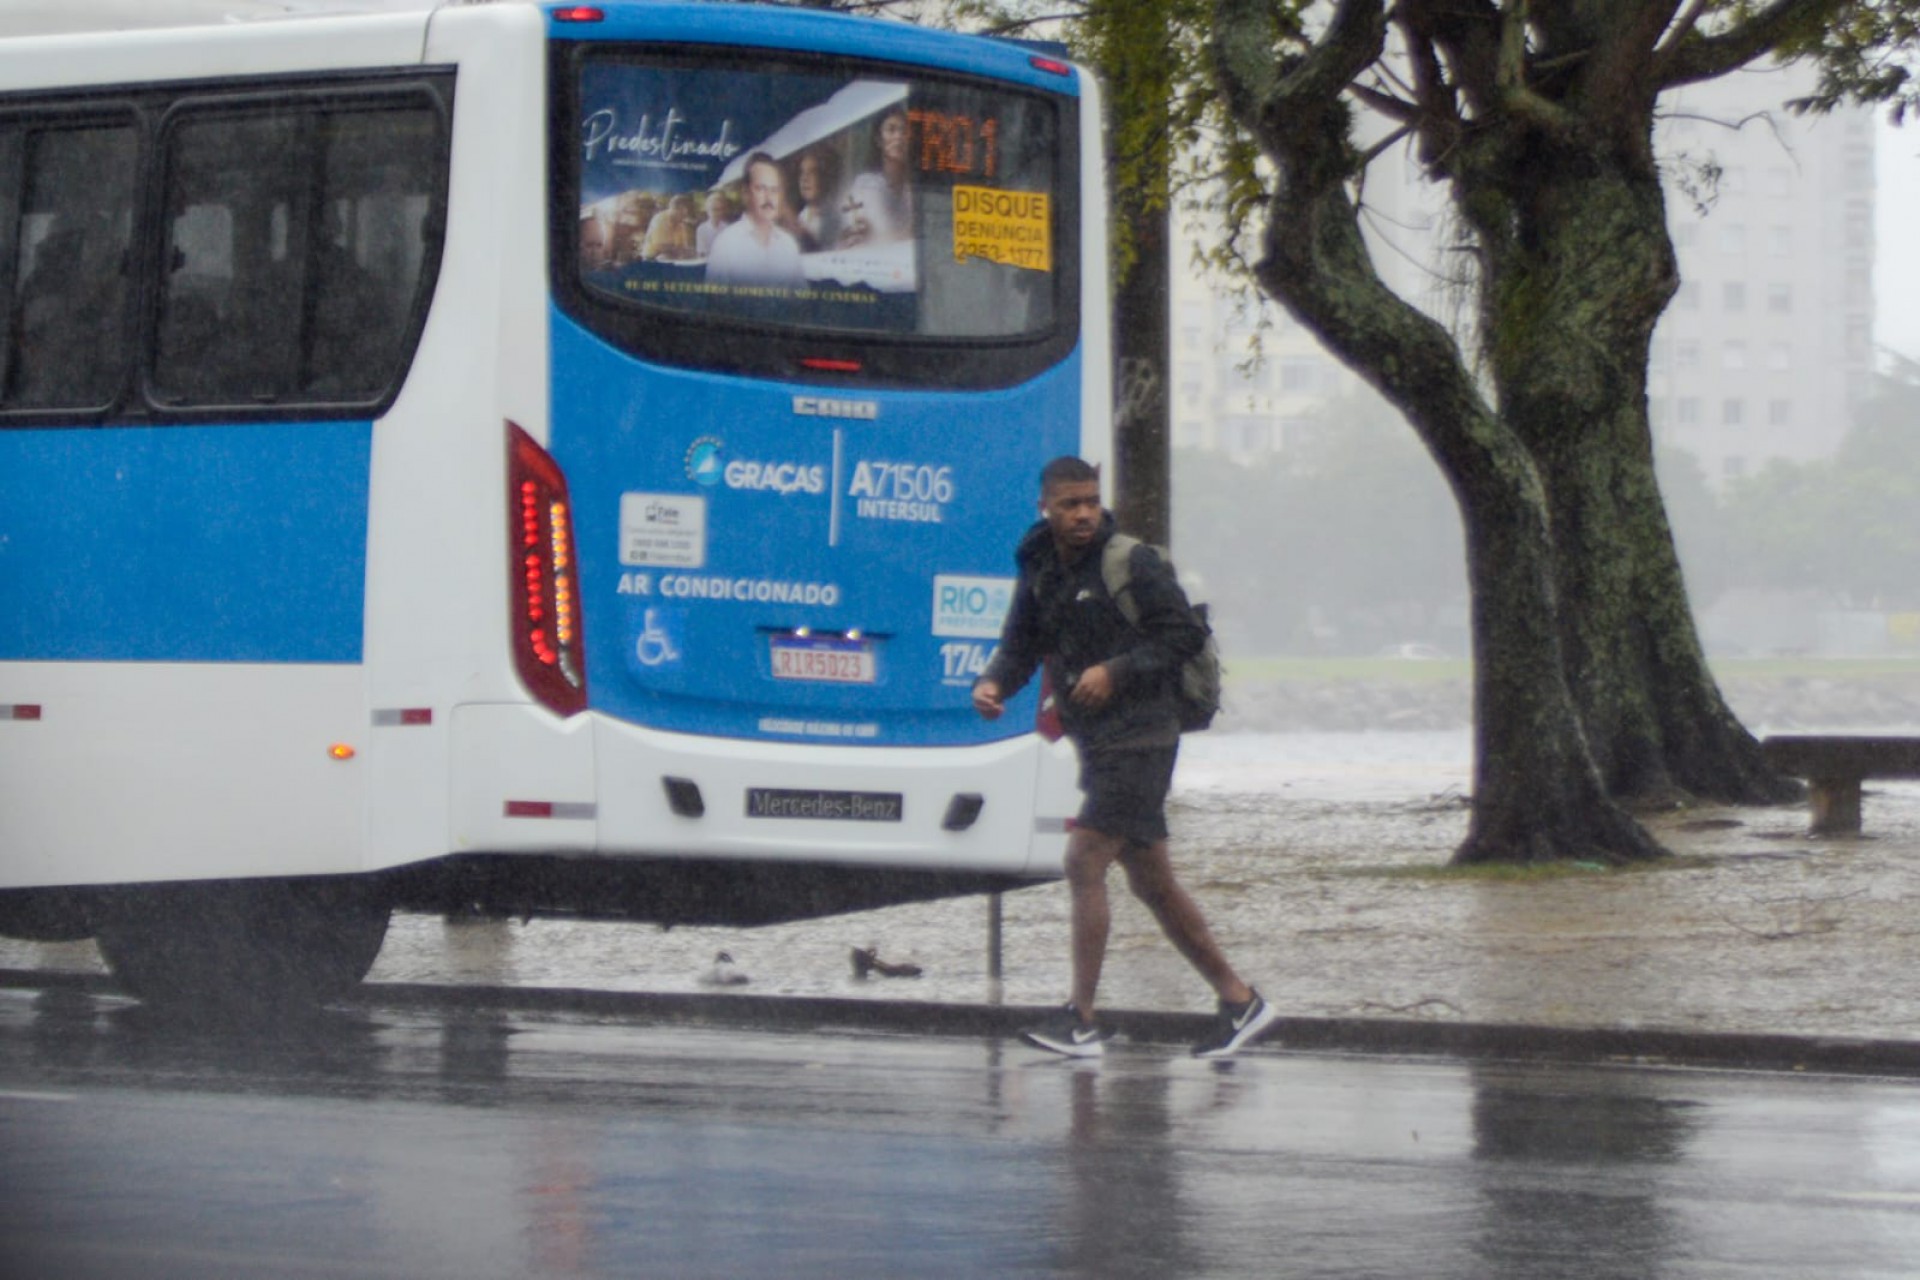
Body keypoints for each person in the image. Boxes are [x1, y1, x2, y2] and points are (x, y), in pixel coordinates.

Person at [972, 456, 1279, 1060]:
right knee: (1153, 883)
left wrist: (1115, 671)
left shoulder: (1130, 561)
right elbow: (1023, 641)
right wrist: (994, 685)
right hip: (1098, 741)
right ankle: (1241, 1001)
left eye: (1090, 501)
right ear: (1046, 507)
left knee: (1083, 860)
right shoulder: (1038, 565)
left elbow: (1181, 635)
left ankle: (1080, 1019)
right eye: (1069, 504)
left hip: (1144, 737)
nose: (1084, 513)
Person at [704, 152, 806, 288]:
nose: (769, 198)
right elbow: (714, 302)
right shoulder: (726, 244)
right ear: (746, 193)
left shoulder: (788, 244)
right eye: (761, 189)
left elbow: (801, 299)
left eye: (774, 190)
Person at [641, 192, 697, 261]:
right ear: (678, 209)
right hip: (652, 258)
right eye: (684, 213)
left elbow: (683, 246)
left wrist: (690, 251)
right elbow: (660, 246)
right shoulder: (661, 219)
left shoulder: (681, 223)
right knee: (664, 257)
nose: (685, 216)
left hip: (671, 256)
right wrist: (681, 251)